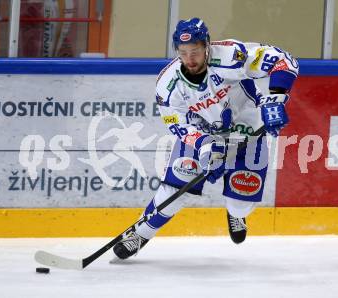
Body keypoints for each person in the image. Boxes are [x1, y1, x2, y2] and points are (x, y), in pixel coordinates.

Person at [112, 17, 299, 260]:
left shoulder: (231, 55)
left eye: (196, 52)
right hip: (203, 134)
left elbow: (284, 61)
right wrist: (206, 148)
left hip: (248, 131)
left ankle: (236, 213)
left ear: (207, 46)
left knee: (240, 201)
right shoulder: (167, 85)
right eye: (183, 52)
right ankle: (141, 233)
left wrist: (275, 99)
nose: (190, 59)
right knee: (175, 190)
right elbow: (177, 125)